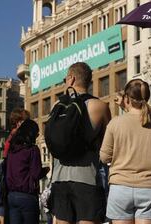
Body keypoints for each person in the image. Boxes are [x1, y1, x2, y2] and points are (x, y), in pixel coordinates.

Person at [100, 79, 151, 224]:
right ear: (147, 98)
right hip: (150, 187)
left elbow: (104, 157)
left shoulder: (115, 123)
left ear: (126, 98)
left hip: (120, 187)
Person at [50, 62, 111, 224]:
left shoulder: (57, 106)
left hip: (59, 178)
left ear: (71, 79)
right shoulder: (100, 106)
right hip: (88, 178)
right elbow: (108, 145)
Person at [6, 118, 45, 224]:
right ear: (31, 133)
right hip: (27, 196)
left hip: (12, 196)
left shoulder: (12, 149)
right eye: (36, 133)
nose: (37, 135)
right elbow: (35, 173)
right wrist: (45, 171)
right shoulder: (32, 150)